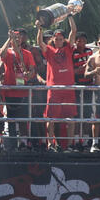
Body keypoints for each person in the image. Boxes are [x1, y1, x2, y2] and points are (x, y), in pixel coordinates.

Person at [37, 14, 78, 151]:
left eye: (61, 39)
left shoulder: (68, 48)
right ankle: (50, 143)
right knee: (51, 118)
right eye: (57, 39)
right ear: (53, 39)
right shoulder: (49, 50)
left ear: (63, 39)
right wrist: (40, 29)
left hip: (68, 89)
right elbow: (40, 43)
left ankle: (71, 144)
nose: (59, 41)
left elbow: (74, 32)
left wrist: (70, 16)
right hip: (54, 89)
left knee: (71, 118)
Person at [0, 29, 37, 151]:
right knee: (11, 119)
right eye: (15, 38)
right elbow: (0, 55)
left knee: (23, 119)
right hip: (10, 91)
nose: (17, 39)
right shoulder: (8, 52)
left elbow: (32, 70)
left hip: (22, 90)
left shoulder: (27, 54)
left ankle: (23, 142)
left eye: (19, 37)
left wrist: (29, 74)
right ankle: (12, 143)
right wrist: (9, 39)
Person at [71, 32, 93, 150]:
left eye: (83, 41)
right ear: (75, 42)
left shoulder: (90, 51)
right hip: (77, 87)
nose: (81, 43)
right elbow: (71, 70)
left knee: (87, 114)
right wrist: (78, 70)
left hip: (88, 86)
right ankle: (75, 141)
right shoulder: (72, 52)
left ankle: (85, 141)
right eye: (79, 41)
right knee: (76, 114)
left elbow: (93, 66)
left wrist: (88, 69)